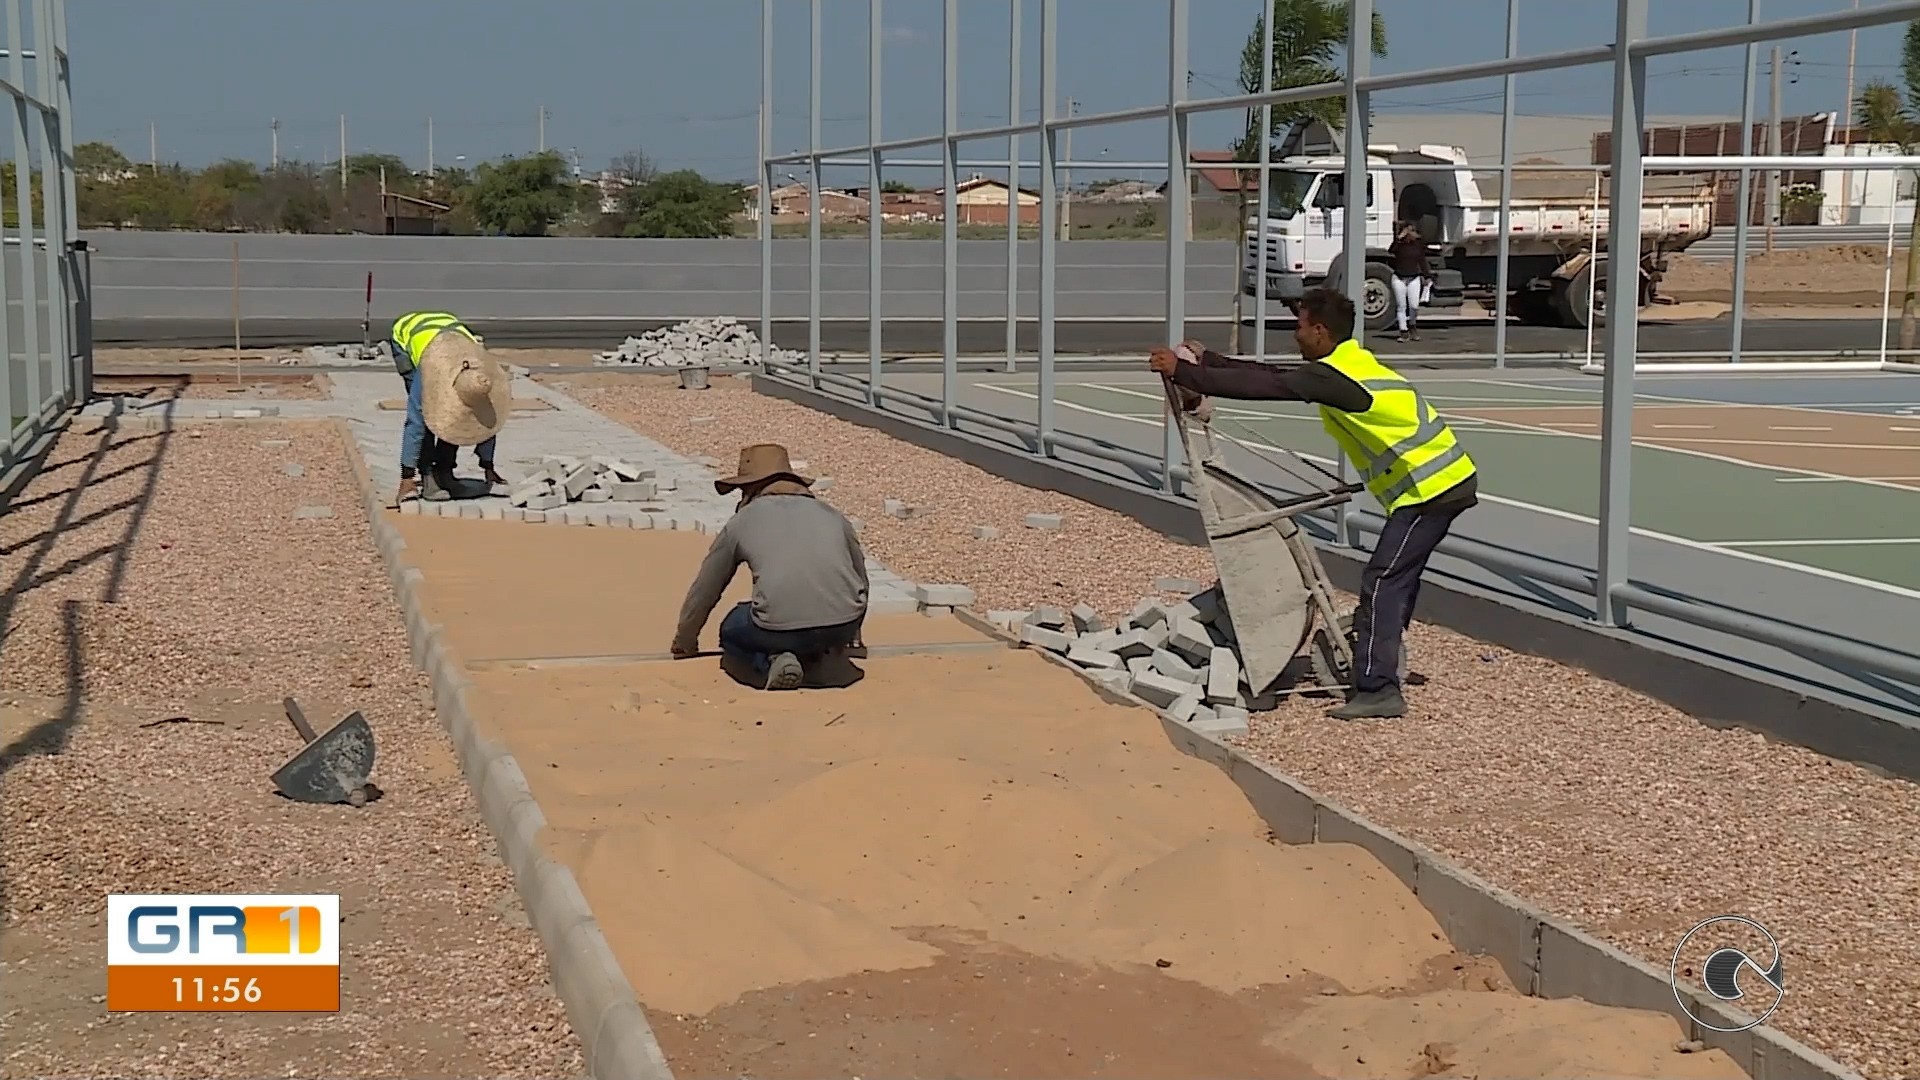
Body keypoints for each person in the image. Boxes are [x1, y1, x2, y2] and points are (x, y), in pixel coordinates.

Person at [1148, 287, 1478, 720]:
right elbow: (1273, 373)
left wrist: (1188, 375)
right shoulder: (1343, 364)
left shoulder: (1336, 377)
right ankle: (1377, 655)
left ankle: (1379, 688)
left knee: (1383, 580)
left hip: (1433, 489)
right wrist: (1208, 361)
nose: (1296, 335)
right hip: (1436, 484)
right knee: (1394, 580)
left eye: (1300, 327)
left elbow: (1270, 386)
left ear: (1321, 331)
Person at [671, 444, 869, 690]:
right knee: (805, 623)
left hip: (777, 630)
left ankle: (772, 660)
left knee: (732, 627)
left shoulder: (743, 520)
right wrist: (852, 633)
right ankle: (821, 658)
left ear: (750, 488)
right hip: (843, 626)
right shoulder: (833, 515)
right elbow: (860, 578)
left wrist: (685, 640)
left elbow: (706, 589)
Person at [389, 311, 508, 504]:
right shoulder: (429, 369)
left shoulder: (480, 373)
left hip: (449, 334)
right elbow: (414, 422)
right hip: (407, 336)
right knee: (427, 415)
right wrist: (407, 478)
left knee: (458, 416)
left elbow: (488, 423)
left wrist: (488, 467)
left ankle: (444, 470)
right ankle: (427, 474)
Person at [1387, 221, 1433, 343]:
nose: (1411, 233)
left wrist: (1427, 275)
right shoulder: (1399, 245)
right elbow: (1391, 251)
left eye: (1412, 231)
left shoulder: (1417, 245)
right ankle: (1403, 331)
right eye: (1408, 231)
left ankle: (1412, 325)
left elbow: (1422, 260)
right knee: (1401, 306)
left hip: (1413, 277)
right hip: (1399, 278)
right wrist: (1399, 238)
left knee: (1414, 305)